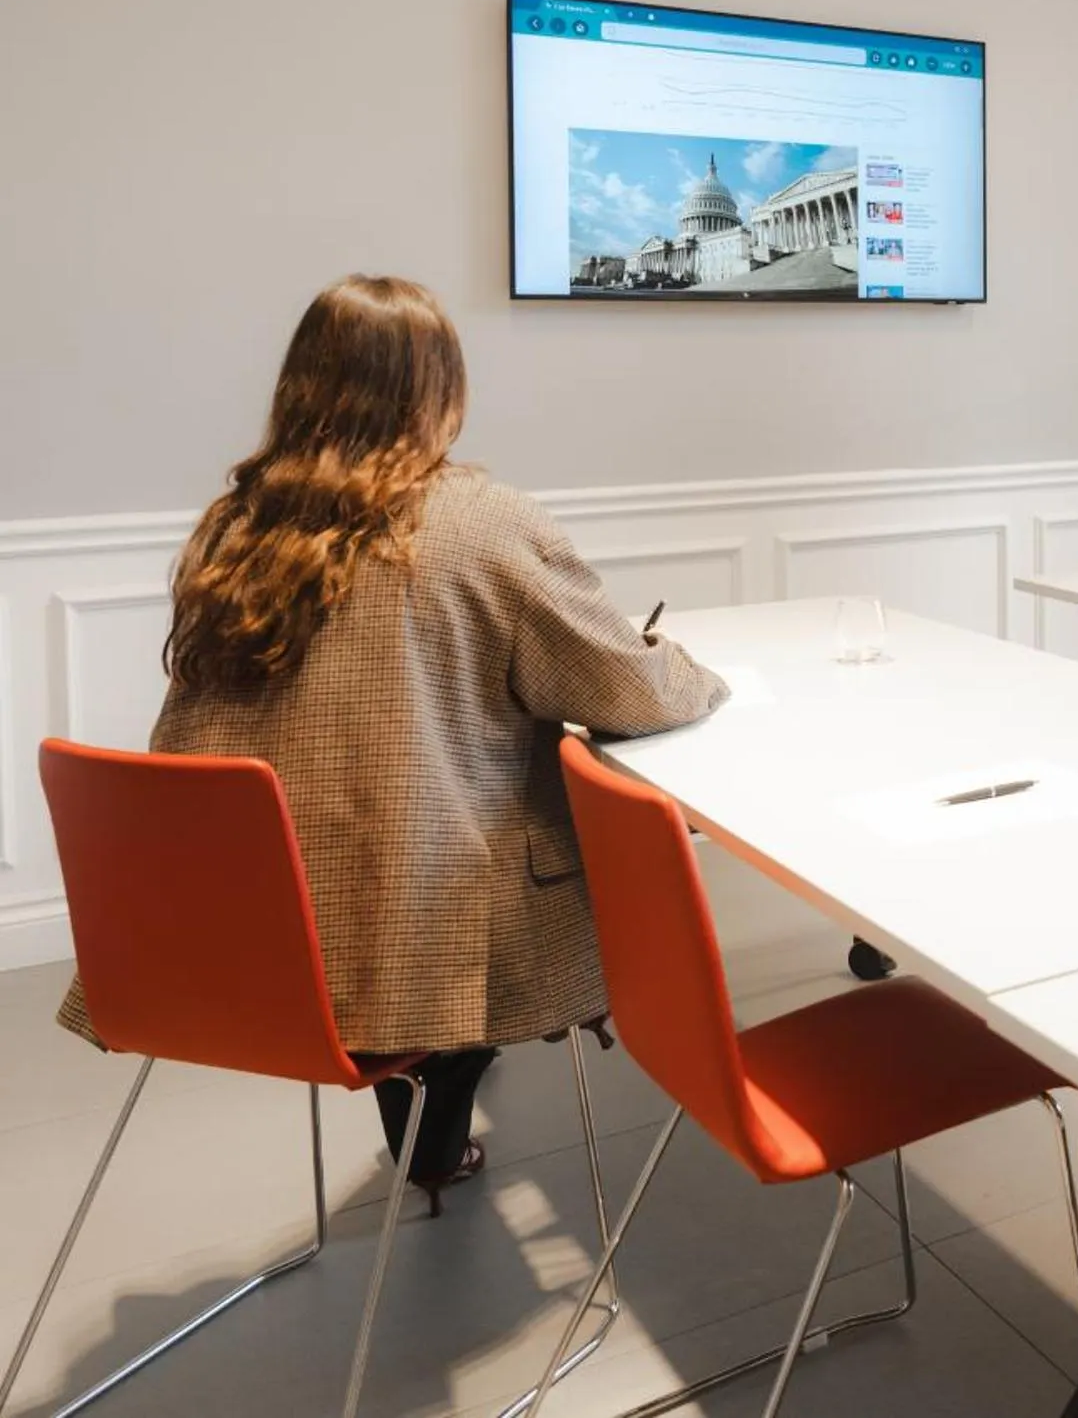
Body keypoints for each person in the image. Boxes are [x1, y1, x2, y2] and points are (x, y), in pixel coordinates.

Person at [57, 275, 727, 1211]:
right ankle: (443, 1063)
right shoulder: (479, 523)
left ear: (299, 387)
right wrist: (694, 670)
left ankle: (434, 1102)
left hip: (233, 952)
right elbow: (625, 687)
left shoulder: (234, 530)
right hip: (417, 938)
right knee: (498, 840)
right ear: (438, 390)